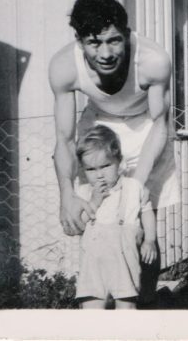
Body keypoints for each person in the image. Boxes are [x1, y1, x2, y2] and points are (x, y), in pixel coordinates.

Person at [49, 0, 177, 238]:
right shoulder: (63, 67)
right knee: (97, 222)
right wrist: (66, 194)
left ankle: (145, 276)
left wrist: (136, 185)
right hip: (98, 123)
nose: (106, 54)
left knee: (139, 224)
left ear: (127, 35)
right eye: (94, 43)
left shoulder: (153, 60)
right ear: (79, 41)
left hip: (146, 125)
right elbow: (64, 139)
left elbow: (160, 124)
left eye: (114, 41)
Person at [74, 125, 157, 309]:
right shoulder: (83, 193)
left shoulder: (132, 188)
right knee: (91, 310)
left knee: (126, 307)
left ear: (119, 161)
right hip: (93, 265)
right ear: (83, 169)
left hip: (124, 262)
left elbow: (146, 210)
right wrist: (93, 203)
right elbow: (78, 226)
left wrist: (149, 240)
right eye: (91, 169)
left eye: (105, 166)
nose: (99, 175)